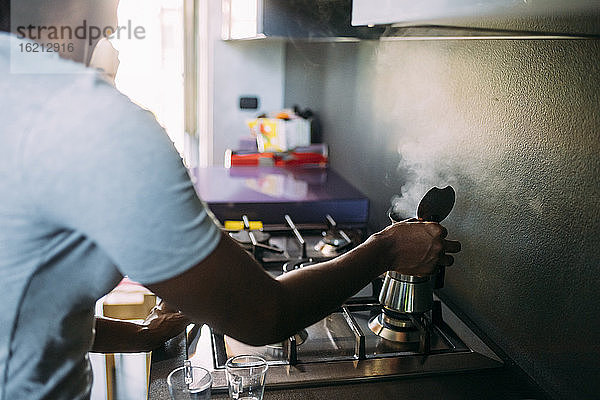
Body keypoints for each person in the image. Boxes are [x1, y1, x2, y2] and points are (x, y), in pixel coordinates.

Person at [0, 2, 460, 399]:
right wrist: (388, 249)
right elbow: (263, 316)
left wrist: (139, 335)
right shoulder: (95, 124)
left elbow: (29, 305)